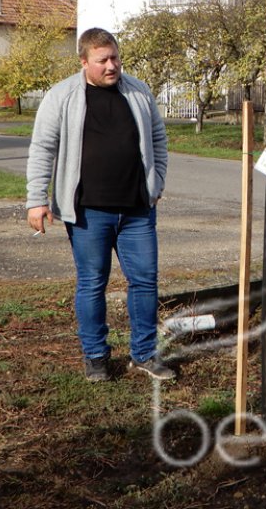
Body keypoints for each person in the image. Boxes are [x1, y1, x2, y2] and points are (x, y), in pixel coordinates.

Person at [26, 27, 173, 383]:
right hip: (88, 212)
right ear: (84, 61)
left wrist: (156, 183)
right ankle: (96, 358)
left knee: (145, 281)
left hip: (137, 210)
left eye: (115, 58)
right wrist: (36, 200)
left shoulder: (138, 91)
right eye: (102, 60)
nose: (111, 66)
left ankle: (143, 354)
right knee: (92, 283)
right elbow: (42, 148)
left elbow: (158, 138)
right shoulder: (62, 96)